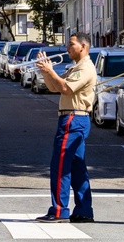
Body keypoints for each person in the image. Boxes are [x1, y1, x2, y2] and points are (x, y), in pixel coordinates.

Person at [33, 32, 95, 223]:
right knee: (77, 167)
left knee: (60, 165)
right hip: (73, 117)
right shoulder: (76, 67)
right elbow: (55, 88)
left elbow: (67, 89)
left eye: (71, 44)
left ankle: (59, 210)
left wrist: (51, 71)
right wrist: (45, 71)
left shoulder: (84, 68)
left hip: (73, 118)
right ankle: (84, 211)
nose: (67, 48)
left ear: (83, 46)